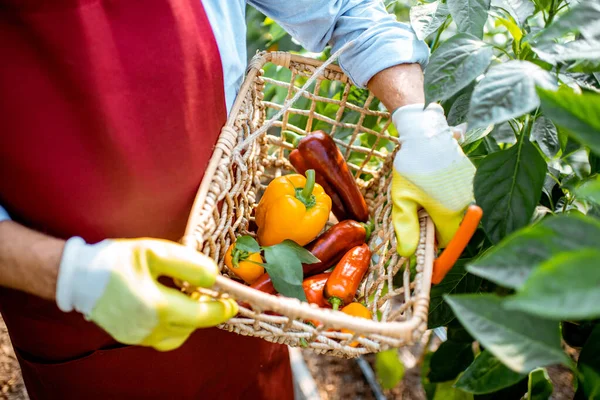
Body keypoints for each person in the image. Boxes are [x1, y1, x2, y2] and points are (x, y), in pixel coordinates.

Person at [0, 0, 474, 398]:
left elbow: (343, 10)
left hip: (241, 271)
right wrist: (73, 276)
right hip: (71, 305)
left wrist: (419, 124)